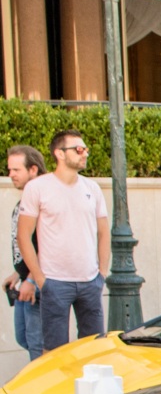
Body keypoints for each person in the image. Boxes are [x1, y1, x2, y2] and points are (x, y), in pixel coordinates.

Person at [17, 130, 109, 353]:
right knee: (54, 353)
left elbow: (104, 232)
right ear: (59, 153)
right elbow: (23, 236)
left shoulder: (92, 188)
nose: (85, 153)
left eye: (86, 149)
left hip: (90, 281)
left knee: (94, 350)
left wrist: (102, 274)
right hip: (55, 282)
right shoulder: (37, 188)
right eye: (79, 149)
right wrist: (40, 279)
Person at [5, 145, 45, 360]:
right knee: (25, 338)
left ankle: (43, 392)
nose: (10, 175)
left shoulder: (42, 201)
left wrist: (30, 279)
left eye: (16, 170)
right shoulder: (24, 201)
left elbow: (45, 245)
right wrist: (17, 274)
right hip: (26, 279)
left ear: (33, 169)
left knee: (38, 345)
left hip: (36, 281)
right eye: (9, 170)